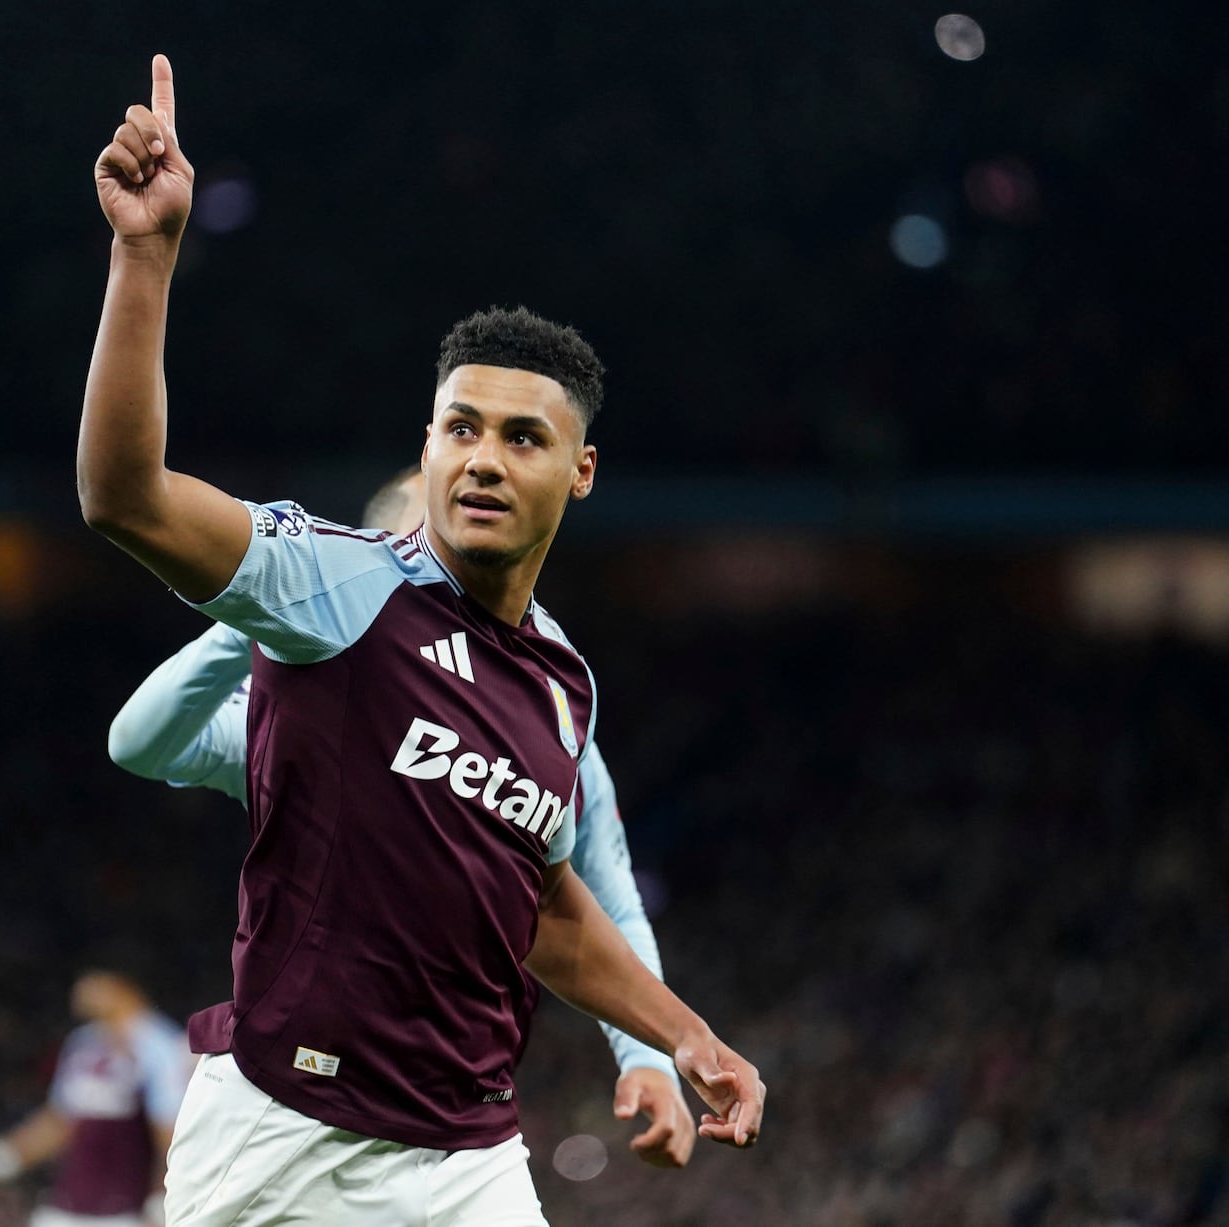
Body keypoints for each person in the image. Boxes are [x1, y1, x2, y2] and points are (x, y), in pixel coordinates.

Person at [79, 54, 764, 1225]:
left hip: (463, 1162)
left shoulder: (561, 686)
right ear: (429, 445)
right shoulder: (335, 585)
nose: (485, 457)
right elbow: (126, 501)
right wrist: (145, 255)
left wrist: (680, 1039)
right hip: (275, 1140)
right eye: (461, 428)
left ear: (580, 471)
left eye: (521, 437)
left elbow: (547, 908)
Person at [108, 465, 699, 1169]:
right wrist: (254, 616)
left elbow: (601, 896)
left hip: (458, 1117)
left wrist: (649, 1056)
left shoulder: (550, 720)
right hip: (295, 1107)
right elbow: (141, 743)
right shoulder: (310, 709)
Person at [0, 971, 193, 1226]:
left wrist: (160, 1207)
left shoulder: (159, 1046)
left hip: (124, 1215)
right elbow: (55, 1127)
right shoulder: (83, 1043)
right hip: (64, 1211)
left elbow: (170, 1134)